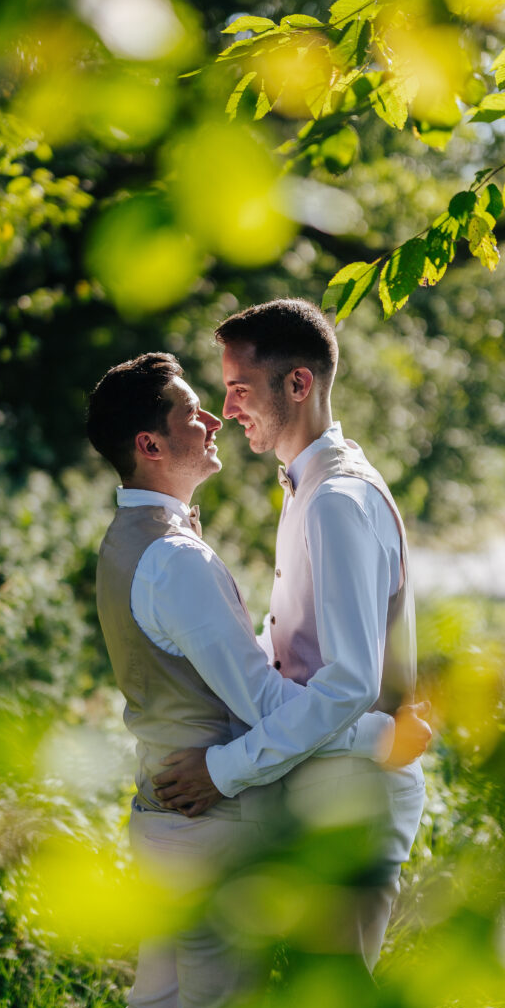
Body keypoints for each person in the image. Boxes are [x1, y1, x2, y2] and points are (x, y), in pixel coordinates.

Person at [87, 350, 428, 1008]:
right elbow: (266, 700)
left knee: (157, 1005)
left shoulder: (127, 541)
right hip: (207, 818)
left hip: (158, 809)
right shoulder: (176, 560)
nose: (212, 421)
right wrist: (378, 733)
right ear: (150, 445)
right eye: (191, 413)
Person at [154, 298, 430, 971]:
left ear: (298, 384)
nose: (226, 410)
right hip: (332, 779)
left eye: (240, 389)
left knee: (336, 1007)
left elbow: (348, 684)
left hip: (356, 792)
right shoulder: (312, 486)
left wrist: (225, 770)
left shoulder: (336, 499)